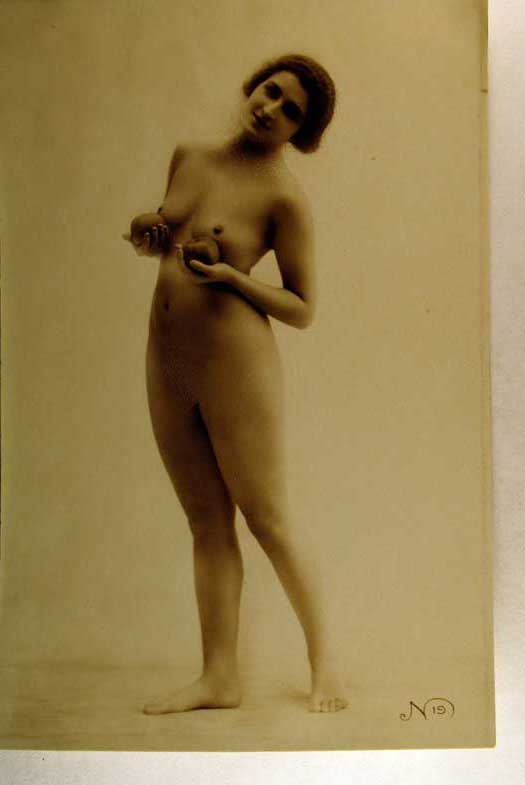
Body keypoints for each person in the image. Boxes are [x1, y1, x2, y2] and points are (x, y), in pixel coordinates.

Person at [124, 54, 348, 714]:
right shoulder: (188, 155)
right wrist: (146, 234)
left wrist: (232, 278)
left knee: (267, 519)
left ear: (300, 134)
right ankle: (218, 677)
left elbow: (302, 309)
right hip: (167, 358)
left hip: (237, 367)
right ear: (253, 86)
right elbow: (163, 245)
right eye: (270, 92)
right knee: (205, 522)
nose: (271, 109)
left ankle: (326, 666)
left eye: (290, 111)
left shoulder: (284, 199)